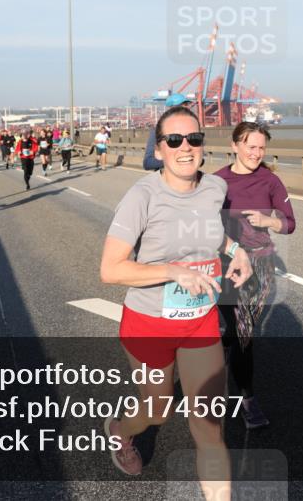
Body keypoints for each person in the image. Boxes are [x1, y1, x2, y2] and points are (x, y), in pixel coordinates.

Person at [100, 106, 252, 494]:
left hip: (200, 322)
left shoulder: (214, 188)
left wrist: (236, 250)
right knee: (157, 410)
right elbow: (112, 269)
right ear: (161, 148)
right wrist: (173, 271)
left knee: (210, 428)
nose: (186, 147)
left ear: (203, 145)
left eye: (194, 139)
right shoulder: (142, 196)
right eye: (175, 140)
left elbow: (210, 232)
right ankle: (120, 430)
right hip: (148, 325)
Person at [214, 122, 296, 429]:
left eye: (261, 148)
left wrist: (268, 221)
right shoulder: (216, 181)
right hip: (223, 265)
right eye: (251, 147)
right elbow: (201, 224)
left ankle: (246, 398)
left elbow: (290, 223)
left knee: (242, 333)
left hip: (259, 268)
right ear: (235, 145)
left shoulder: (270, 181)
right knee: (233, 331)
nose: (256, 153)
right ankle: (232, 390)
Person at [144, 93, 191, 170]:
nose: (187, 107)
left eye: (187, 104)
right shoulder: (157, 131)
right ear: (172, 109)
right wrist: (175, 161)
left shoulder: (191, 130)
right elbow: (148, 163)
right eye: (183, 105)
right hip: (166, 179)